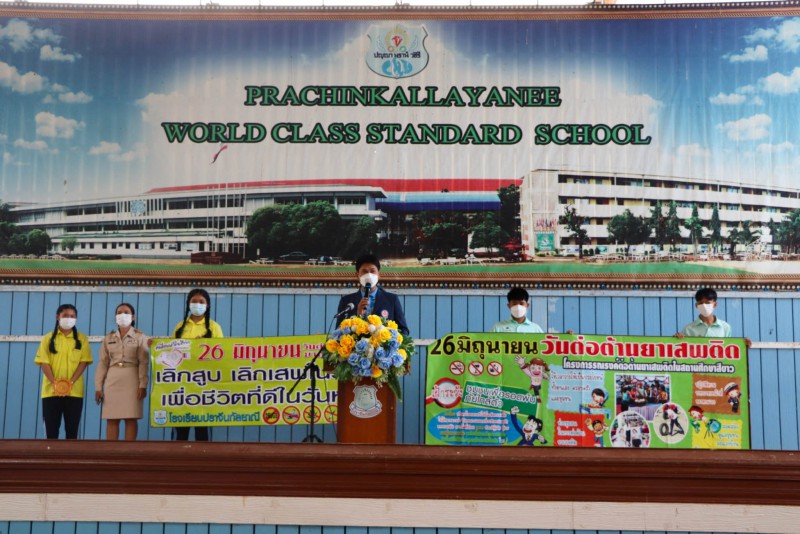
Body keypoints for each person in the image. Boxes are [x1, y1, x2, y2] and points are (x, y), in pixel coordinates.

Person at [34, 303, 93, 439]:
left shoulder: (82, 339)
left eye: (72, 316)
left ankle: (71, 454)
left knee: (72, 432)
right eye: (65, 315)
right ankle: (50, 453)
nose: (69, 318)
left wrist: (70, 383)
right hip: (50, 391)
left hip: (75, 392)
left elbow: (83, 362)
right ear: (57, 317)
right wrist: (55, 383)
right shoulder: (48, 338)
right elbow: (43, 362)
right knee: (51, 431)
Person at [173, 288, 224, 441]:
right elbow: (171, 350)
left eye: (201, 302)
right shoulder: (180, 326)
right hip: (182, 380)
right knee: (181, 425)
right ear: (188, 304)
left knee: (201, 425)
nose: (197, 304)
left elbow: (221, 353)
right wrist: (155, 345)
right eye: (194, 301)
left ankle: (203, 454)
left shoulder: (214, 327)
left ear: (207, 305)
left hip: (204, 380)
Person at [95, 303, 149, 441]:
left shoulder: (140, 336)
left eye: (126, 312)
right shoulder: (109, 338)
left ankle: (129, 451)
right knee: (112, 418)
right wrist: (98, 387)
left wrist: (143, 385)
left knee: (131, 418)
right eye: (119, 312)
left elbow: (144, 362)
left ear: (133, 316)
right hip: (113, 378)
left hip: (132, 377)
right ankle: (112, 451)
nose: (122, 315)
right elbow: (103, 363)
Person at [337, 254, 409, 335]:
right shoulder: (346, 301)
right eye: (364, 271)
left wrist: (390, 339)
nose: (369, 275)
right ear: (357, 275)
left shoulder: (392, 300)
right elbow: (338, 332)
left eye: (372, 271)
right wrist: (358, 315)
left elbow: (404, 330)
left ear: (379, 275)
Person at [675, 287, 752, 348]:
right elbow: (682, 350)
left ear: (715, 304)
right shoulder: (688, 329)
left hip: (719, 363)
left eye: (708, 302)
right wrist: (675, 340)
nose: (704, 305)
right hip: (697, 363)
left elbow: (729, 349)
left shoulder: (725, 327)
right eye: (701, 303)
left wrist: (743, 346)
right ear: (696, 305)